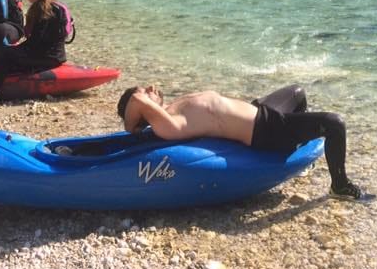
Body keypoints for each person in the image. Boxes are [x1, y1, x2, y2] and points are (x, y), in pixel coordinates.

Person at [116, 83, 364, 200]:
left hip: (261, 111)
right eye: (143, 91)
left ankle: (297, 156)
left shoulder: (173, 109)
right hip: (267, 131)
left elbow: (138, 103)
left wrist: (140, 101)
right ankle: (339, 185)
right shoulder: (168, 126)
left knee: (297, 92)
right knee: (335, 123)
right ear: (138, 108)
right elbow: (133, 114)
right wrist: (133, 118)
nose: (150, 87)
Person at [0, 0, 68, 107]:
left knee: (4, 54)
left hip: (49, 57)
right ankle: (2, 83)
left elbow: (39, 41)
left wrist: (13, 51)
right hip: (49, 53)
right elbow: (36, 41)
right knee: (6, 53)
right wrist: (18, 50)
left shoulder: (48, 11)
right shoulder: (42, 7)